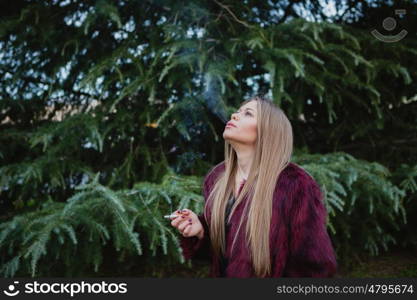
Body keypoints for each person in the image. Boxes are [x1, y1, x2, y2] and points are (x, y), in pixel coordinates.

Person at [169, 96, 337, 277]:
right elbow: (224, 254)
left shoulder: (295, 185)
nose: (234, 115)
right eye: (237, 111)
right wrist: (201, 231)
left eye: (247, 113)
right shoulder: (217, 179)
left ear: (268, 131)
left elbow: (313, 266)